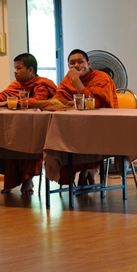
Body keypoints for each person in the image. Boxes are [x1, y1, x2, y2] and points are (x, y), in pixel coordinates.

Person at [0, 53, 58, 194]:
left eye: (19, 68)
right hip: (15, 127)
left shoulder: (42, 85)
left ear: (30, 70)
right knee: (2, 142)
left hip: (34, 128)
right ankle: (11, 178)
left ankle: (27, 179)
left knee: (32, 144)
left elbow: (38, 101)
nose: (15, 71)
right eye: (14, 68)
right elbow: (2, 97)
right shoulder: (16, 85)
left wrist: (5, 103)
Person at [47, 49, 120, 186]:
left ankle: (90, 169)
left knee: (88, 136)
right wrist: (70, 102)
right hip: (74, 125)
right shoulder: (67, 80)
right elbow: (58, 100)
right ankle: (85, 170)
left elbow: (93, 103)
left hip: (100, 126)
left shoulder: (101, 77)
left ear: (89, 63)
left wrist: (76, 79)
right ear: (68, 66)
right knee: (61, 138)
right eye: (72, 63)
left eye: (80, 62)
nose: (76, 66)